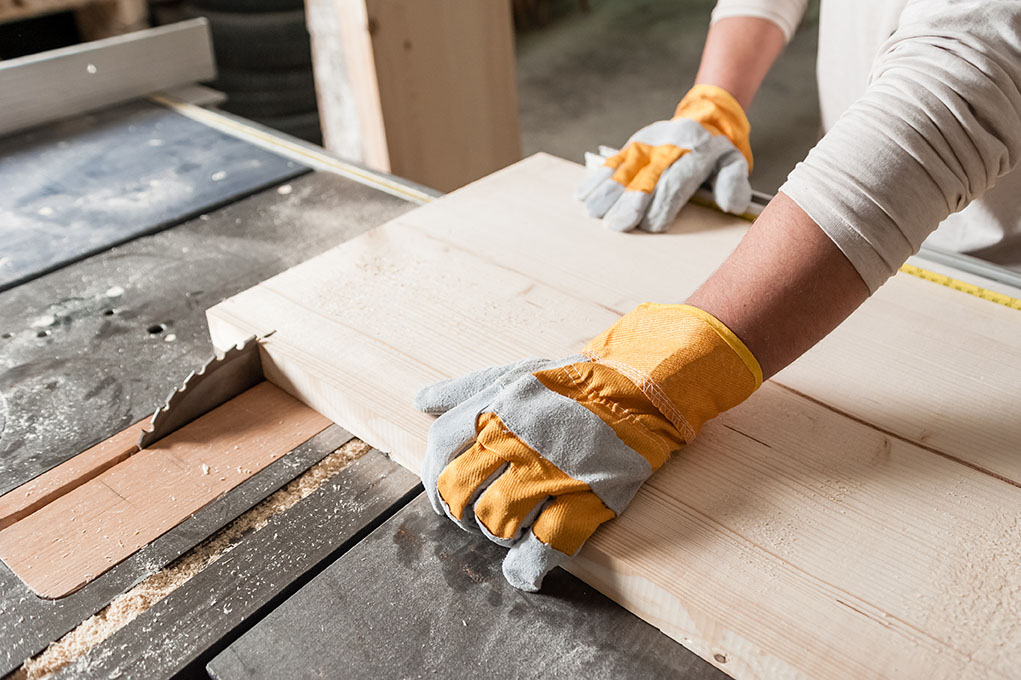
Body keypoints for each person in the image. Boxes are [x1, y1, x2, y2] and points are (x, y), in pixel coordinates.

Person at [414, 0, 1021, 591]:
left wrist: (660, 375)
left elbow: (968, 74)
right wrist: (715, 101)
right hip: (858, 214)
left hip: (991, 271)